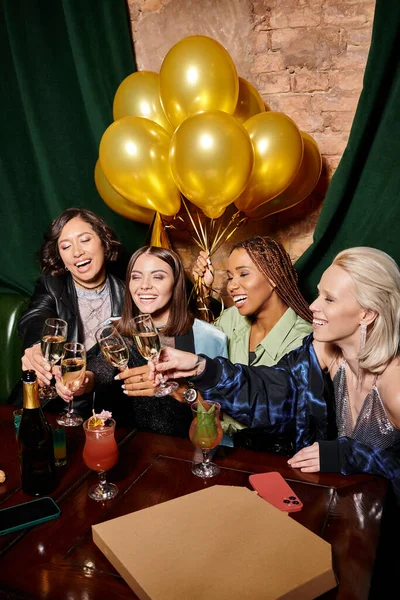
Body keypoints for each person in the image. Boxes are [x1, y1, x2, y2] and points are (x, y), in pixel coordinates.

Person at [147, 247, 400, 496]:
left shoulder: (395, 385)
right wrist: (201, 366)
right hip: (346, 501)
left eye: (329, 299)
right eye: (319, 295)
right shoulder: (325, 350)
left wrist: (351, 454)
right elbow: (271, 390)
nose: (313, 306)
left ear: (367, 313)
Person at [87, 246, 228, 436]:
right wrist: (82, 381)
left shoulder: (209, 337)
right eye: (136, 277)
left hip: (182, 453)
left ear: (176, 283)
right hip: (127, 449)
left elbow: (220, 418)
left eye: (158, 276)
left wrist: (182, 390)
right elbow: (97, 373)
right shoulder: (114, 330)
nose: (144, 285)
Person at [193, 236, 313, 437]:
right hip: (220, 444)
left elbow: (279, 412)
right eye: (230, 277)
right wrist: (202, 294)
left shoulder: (304, 339)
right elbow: (203, 353)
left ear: (274, 276)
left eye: (243, 274)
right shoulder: (231, 319)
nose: (232, 286)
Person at [18, 207, 125, 416]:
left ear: (104, 242)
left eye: (85, 240)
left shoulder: (128, 293)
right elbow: (34, 316)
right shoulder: (52, 286)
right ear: (61, 259)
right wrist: (37, 346)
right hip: (47, 409)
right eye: (66, 246)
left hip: (107, 413)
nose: (77, 252)